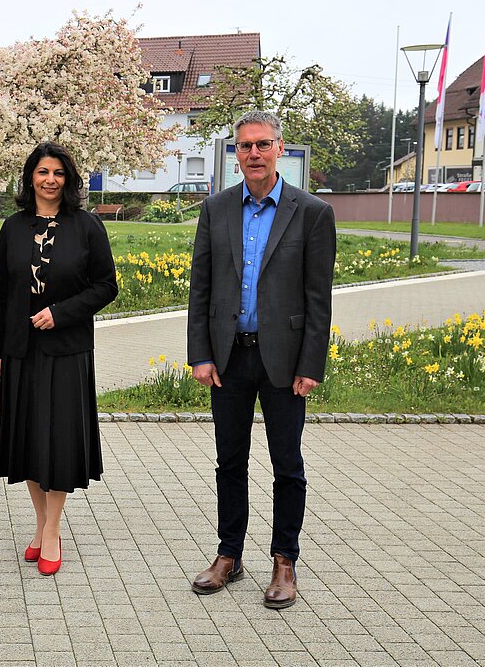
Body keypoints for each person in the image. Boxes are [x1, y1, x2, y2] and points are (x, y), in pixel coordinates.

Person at [186, 109, 336, 609]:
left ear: (279, 148)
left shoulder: (311, 212)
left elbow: (319, 297)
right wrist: (200, 354)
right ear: (236, 152)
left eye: (262, 145)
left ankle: (284, 561)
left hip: (284, 362)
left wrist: (311, 364)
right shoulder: (216, 209)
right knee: (229, 461)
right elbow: (201, 289)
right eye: (245, 146)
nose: (253, 154)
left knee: (286, 464)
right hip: (228, 359)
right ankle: (229, 556)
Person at [0, 141, 118, 576]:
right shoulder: (13, 227)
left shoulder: (87, 227)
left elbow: (105, 286)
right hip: (21, 349)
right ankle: (43, 526)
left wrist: (60, 314)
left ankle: (52, 530)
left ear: (69, 179)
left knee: (59, 440)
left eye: (58, 173)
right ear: (30, 178)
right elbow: (2, 290)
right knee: (27, 437)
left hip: (67, 349)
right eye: (43, 172)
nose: (50, 180)